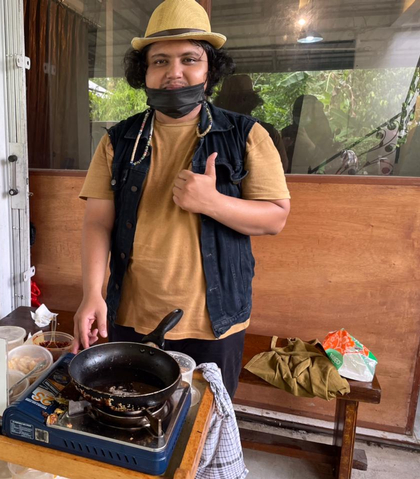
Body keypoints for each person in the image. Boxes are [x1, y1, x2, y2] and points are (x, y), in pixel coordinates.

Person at [73, 0, 290, 398]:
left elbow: (275, 218)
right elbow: (97, 223)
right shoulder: (117, 140)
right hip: (129, 316)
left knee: (202, 429)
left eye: (189, 58)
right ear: (146, 73)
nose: (174, 72)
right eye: (160, 61)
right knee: (131, 416)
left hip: (215, 321)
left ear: (209, 71)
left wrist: (213, 202)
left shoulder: (245, 135)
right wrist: (92, 294)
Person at [214, 74, 290, 172]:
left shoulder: (210, 131)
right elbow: (282, 168)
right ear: (253, 101)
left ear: (221, 102)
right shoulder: (267, 131)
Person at [282, 94, 342, 174]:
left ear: (315, 113)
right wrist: (283, 147)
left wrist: (309, 144)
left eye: (305, 112)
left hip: (314, 180)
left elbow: (327, 164)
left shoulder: (324, 134)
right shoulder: (288, 131)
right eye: (298, 111)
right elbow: (278, 163)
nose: (301, 115)